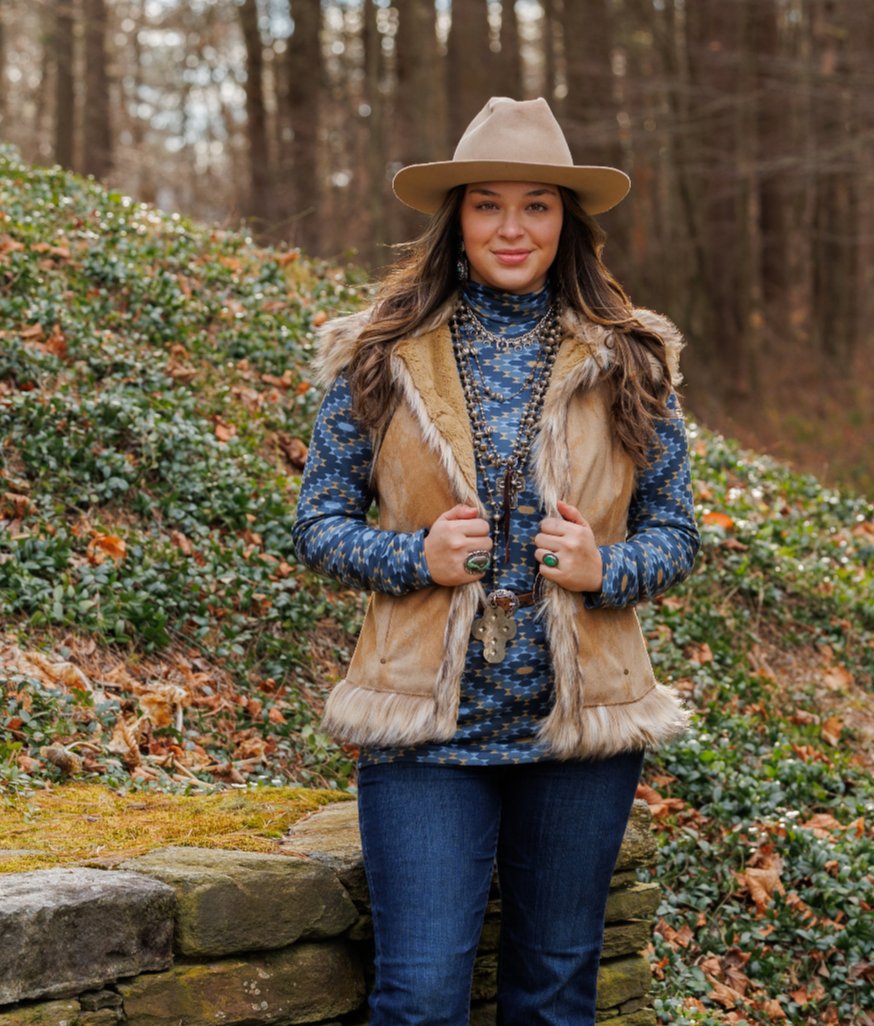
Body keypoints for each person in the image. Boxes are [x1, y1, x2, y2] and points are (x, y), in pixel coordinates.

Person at [292, 96, 700, 1026]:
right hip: (423, 731)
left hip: (579, 728)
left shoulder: (631, 361)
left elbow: (677, 534)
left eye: (535, 206)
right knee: (421, 997)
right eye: (486, 205)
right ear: (456, 219)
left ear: (566, 221)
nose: (510, 228)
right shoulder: (378, 357)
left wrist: (606, 569)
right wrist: (414, 554)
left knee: (556, 994)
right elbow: (317, 525)